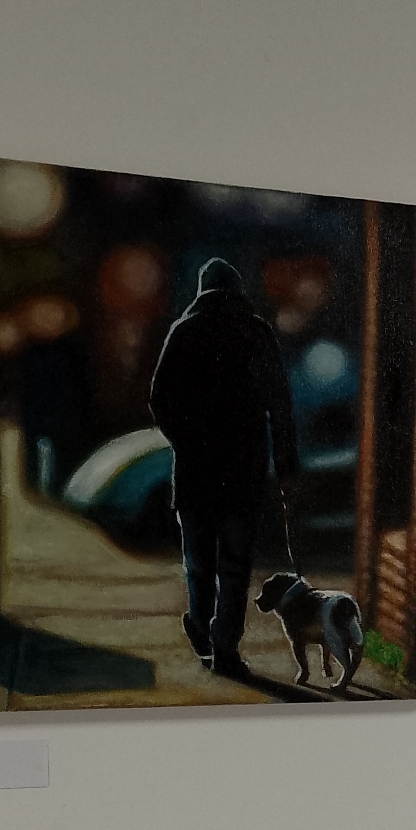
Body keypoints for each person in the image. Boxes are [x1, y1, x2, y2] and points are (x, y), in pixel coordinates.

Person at [149, 258, 298, 681]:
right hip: (244, 469)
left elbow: (159, 398)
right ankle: (226, 648)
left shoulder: (184, 330)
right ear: (237, 289)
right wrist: (286, 464)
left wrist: (185, 438)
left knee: (198, 563)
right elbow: (280, 404)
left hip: (195, 471)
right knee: (235, 566)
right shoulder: (256, 332)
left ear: (202, 290)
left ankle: (200, 626)